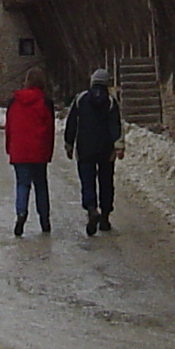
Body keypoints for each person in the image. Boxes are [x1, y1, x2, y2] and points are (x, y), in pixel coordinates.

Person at [64, 66, 124, 235]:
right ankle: (105, 216)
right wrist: (118, 146)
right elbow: (116, 125)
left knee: (87, 180)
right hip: (106, 149)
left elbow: (71, 123)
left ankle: (91, 208)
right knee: (106, 181)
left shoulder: (80, 99)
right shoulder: (111, 102)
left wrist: (69, 144)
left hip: (85, 148)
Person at [4, 70, 55, 236]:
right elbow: (49, 129)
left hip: (19, 149)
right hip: (38, 150)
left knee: (22, 184)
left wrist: (9, 147)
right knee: (41, 185)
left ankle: (21, 214)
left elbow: (9, 127)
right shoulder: (45, 102)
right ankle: (44, 219)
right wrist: (48, 151)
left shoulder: (14, 101)